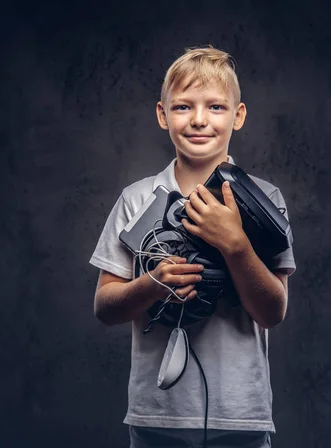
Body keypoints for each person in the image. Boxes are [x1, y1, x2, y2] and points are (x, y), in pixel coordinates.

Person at [89, 45, 297, 448]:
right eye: (183, 107)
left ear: (238, 117)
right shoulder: (137, 198)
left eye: (216, 108)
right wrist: (152, 284)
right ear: (162, 115)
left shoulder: (267, 200)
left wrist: (236, 245)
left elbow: (273, 312)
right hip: (157, 417)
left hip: (241, 418)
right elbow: (104, 307)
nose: (199, 120)